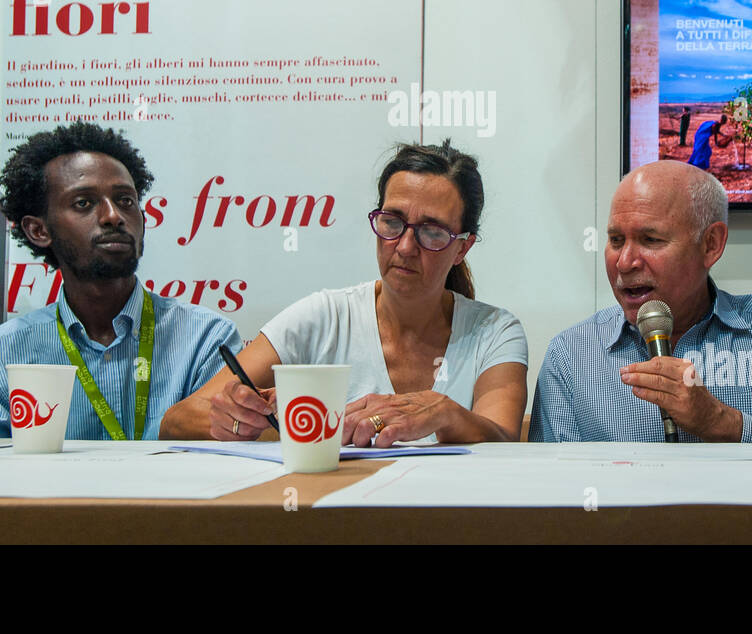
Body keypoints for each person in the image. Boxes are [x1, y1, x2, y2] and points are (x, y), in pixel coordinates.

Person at [160, 140, 528, 446]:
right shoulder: (323, 317)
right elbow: (175, 423)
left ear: (462, 247)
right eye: (392, 222)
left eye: (431, 231)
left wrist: (445, 412)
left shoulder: (494, 332)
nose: (403, 247)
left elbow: (504, 441)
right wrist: (236, 420)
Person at [529, 161, 752, 443]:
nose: (625, 261)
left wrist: (723, 423)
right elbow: (553, 498)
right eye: (616, 240)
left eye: (650, 239)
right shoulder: (570, 355)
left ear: (711, 245)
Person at [0, 122, 243, 439]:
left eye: (125, 200)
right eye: (84, 203)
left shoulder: (207, 341)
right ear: (39, 230)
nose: (113, 215)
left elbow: (228, 466)